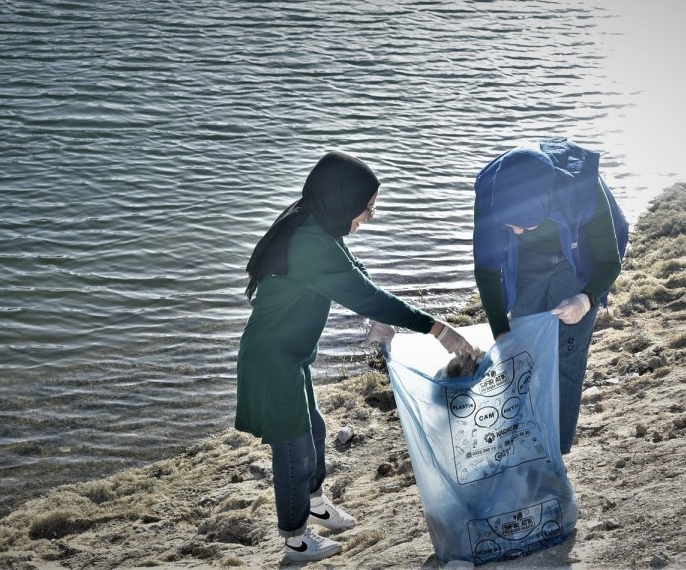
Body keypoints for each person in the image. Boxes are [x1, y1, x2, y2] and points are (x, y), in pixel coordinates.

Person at [236, 151, 473, 562]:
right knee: (293, 449)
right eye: (368, 207)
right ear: (342, 200)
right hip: (272, 362)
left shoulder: (316, 224)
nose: (370, 217)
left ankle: (313, 501)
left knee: (315, 429)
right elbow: (369, 295)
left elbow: (355, 274)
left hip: (289, 356)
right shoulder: (311, 241)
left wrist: (374, 317)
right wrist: (438, 329)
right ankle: (295, 539)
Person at [472, 137, 628, 456]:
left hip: (579, 254)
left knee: (567, 352)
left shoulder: (583, 190)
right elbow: (487, 270)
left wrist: (585, 300)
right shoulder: (491, 192)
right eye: (509, 225)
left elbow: (609, 260)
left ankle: (556, 452)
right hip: (528, 259)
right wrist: (501, 332)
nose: (514, 231)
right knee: (521, 350)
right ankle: (518, 439)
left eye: (522, 224)